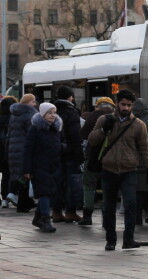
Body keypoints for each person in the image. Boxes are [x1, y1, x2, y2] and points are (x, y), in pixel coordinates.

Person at [88, 89, 148, 251]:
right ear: (117, 104)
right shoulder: (105, 120)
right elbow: (92, 140)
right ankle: (111, 240)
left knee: (131, 204)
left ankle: (128, 239)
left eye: (129, 105)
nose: (126, 108)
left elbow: (144, 148)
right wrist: (104, 130)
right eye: (123, 104)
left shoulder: (138, 125)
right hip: (108, 169)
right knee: (109, 206)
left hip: (129, 169)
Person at [23, 103, 63, 233]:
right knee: (44, 192)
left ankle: (37, 218)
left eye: (54, 112)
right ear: (43, 114)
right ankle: (45, 219)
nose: (53, 115)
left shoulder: (55, 128)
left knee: (50, 192)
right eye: (50, 112)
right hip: (39, 166)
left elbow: (57, 145)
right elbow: (28, 150)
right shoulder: (35, 129)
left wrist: (63, 148)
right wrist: (27, 170)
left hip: (53, 166)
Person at [78, 97, 116, 225]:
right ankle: (107, 216)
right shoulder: (116, 118)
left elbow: (83, 135)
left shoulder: (92, 117)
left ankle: (87, 215)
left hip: (92, 157)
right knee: (108, 187)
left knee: (89, 185)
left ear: (97, 106)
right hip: (111, 157)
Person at [53, 85, 85, 223]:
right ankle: (70, 212)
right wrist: (80, 155)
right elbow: (75, 135)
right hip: (70, 152)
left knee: (58, 183)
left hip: (56, 152)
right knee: (72, 183)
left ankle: (56, 211)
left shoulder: (53, 111)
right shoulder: (72, 112)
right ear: (69, 97)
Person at [7, 94, 38, 212]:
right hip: (24, 149)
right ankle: (24, 204)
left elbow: (9, 134)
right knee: (26, 175)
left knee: (22, 177)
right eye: (33, 102)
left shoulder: (14, 115)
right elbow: (32, 134)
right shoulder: (30, 115)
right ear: (27, 102)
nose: (35, 104)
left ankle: (24, 202)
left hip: (13, 149)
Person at [0, 96, 17, 208]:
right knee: (13, 174)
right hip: (11, 150)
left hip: (0, 152)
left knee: (5, 176)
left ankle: (4, 199)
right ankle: (11, 194)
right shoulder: (14, 119)